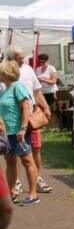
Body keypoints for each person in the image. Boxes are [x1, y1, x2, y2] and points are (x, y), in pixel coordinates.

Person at [6, 47, 52, 196]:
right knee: (14, 154)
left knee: (35, 148)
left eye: (22, 57)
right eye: (19, 58)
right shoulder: (5, 71)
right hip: (13, 119)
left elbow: (37, 90)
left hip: (31, 117)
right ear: (11, 58)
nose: (22, 60)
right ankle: (17, 182)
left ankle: (36, 179)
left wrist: (45, 107)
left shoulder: (27, 69)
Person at [0, 59, 40, 205]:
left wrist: (23, 128)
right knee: (10, 162)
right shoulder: (4, 89)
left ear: (6, 73)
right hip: (7, 133)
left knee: (27, 161)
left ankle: (33, 194)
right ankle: (11, 192)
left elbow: (25, 108)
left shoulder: (18, 86)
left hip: (18, 132)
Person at [35, 53, 59, 128]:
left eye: (43, 62)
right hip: (41, 93)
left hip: (51, 92)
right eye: (40, 62)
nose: (41, 63)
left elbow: (54, 81)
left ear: (46, 61)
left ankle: (53, 127)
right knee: (42, 110)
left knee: (52, 109)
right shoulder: (38, 69)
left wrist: (43, 79)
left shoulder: (51, 69)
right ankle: (44, 126)